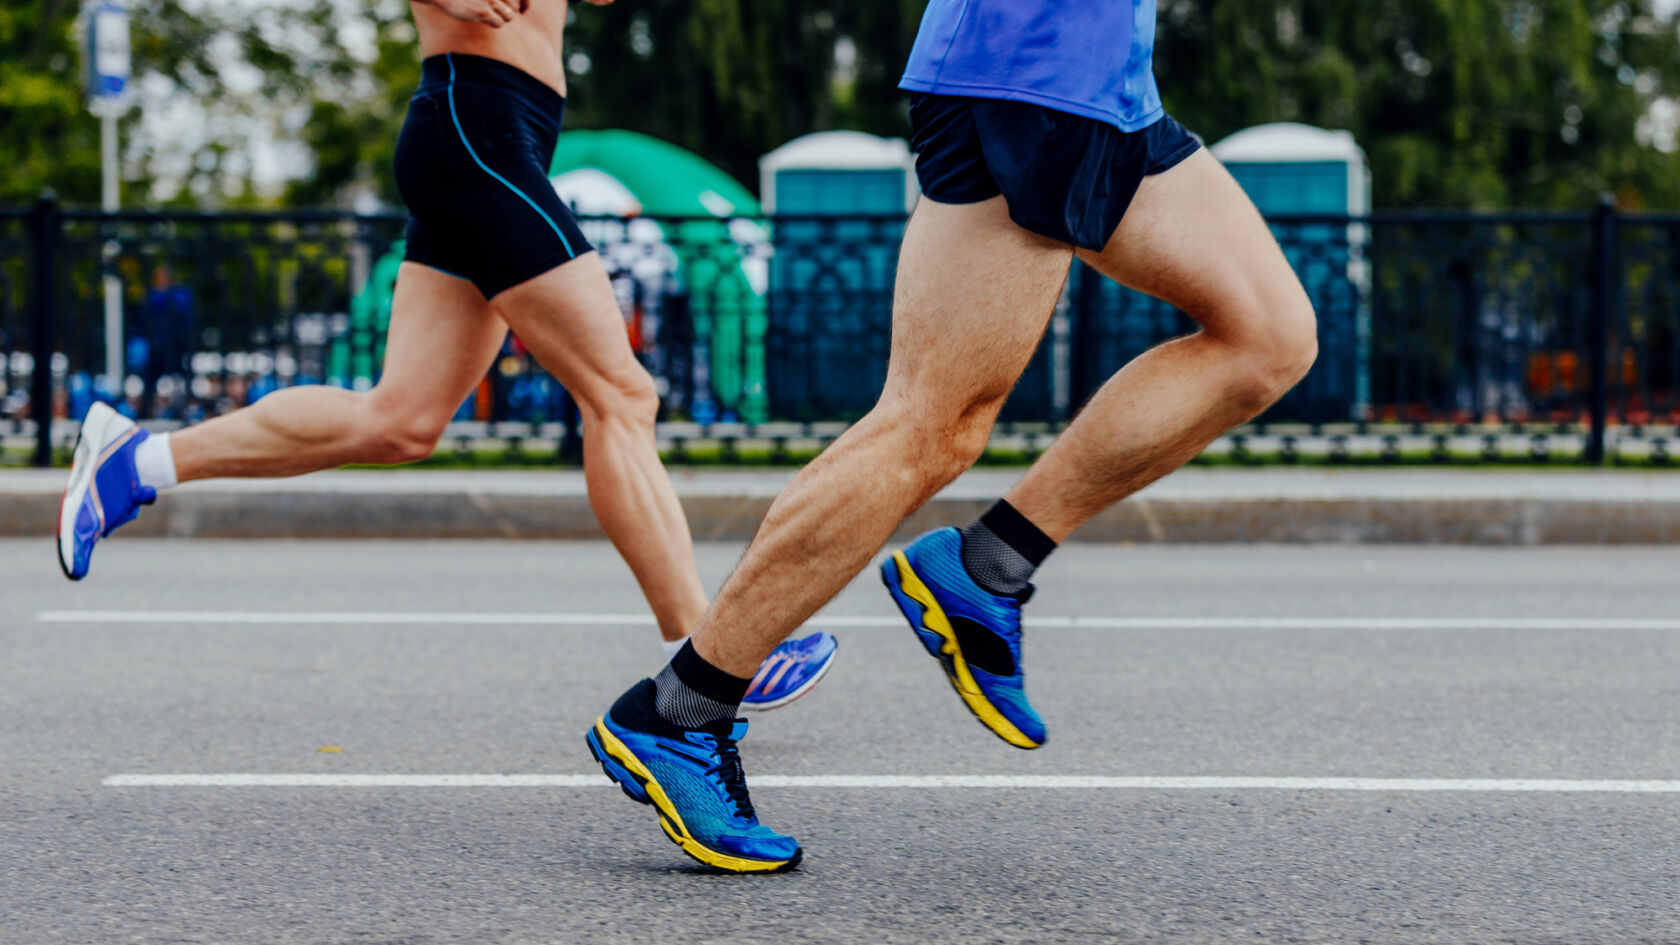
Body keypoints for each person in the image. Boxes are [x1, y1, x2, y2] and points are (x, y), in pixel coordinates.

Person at [585, 0, 1318, 872]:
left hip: (1105, 82)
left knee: (1268, 336)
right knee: (930, 426)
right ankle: (681, 710)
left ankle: (987, 566)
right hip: (1031, 71)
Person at [55, 0, 837, 711]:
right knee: (621, 395)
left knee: (402, 421)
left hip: (500, 131)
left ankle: (136, 461)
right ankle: (701, 654)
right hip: (476, 123)